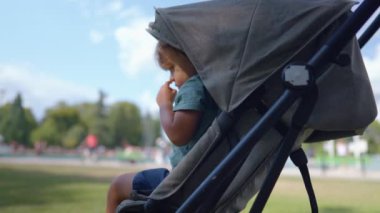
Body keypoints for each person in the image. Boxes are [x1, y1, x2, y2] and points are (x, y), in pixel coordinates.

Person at [106, 41, 219, 213]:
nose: (171, 78)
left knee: (117, 186)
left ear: (193, 58)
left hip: (182, 184)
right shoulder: (212, 89)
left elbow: (178, 134)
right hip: (198, 182)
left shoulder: (194, 87)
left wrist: (164, 105)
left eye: (173, 68)